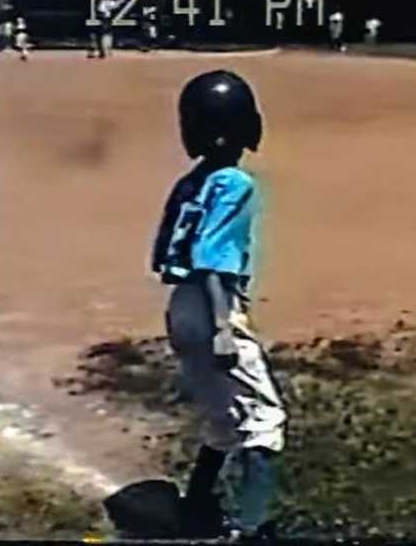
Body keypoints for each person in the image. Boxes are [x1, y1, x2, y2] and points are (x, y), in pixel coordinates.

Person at [151, 71, 287, 542]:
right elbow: (212, 259)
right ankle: (249, 529)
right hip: (213, 307)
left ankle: (196, 509)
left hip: (180, 307)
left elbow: (167, 255)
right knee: (265, 422)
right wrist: (224, 328)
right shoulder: (235, 183)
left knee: (220, 419)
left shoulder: (193, 181)